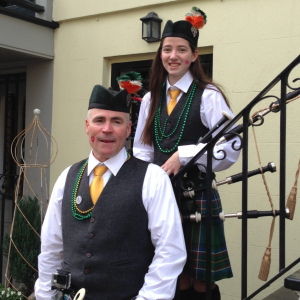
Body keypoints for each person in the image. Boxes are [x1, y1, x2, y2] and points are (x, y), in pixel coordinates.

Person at [35, 84, 187, 300]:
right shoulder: (66, 177)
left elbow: (170, 251)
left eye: (116, 121)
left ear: (128, 129)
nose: (107, 129)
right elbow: (51, 249)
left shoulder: (153, 179)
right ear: (87, 126)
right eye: (99, 120)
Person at [133, 7, 240, 300]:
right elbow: (142, 149)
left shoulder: (208, 95)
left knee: (201, 282)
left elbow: (231, 146)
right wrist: (142, 183)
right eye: (167, 49)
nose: (173, 56)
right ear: (160, 55)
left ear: (194, 55)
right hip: (160, 194)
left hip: (198, 195)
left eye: (181, 49)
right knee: (173, 277)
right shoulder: (149, 99)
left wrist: (185, 155)